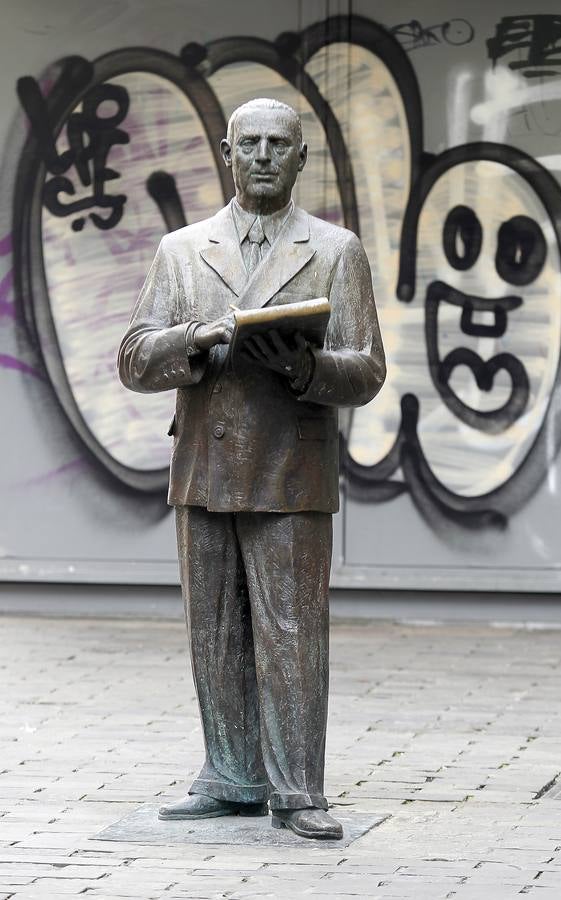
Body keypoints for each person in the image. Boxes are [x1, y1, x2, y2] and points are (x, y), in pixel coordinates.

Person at [118, 98, 385, 840]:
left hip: (291, 466)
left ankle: (299, 791)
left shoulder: (335, 249)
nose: (264, 155)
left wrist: (305, 366)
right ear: (226, 154)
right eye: (250, 144)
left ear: (301, 159)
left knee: (292, 632)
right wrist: (194, 338)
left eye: (279, 144)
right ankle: (229, 774)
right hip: (203, 462)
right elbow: (135, 358)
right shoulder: (181, 250)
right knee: (214, 632)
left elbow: (364, 370)